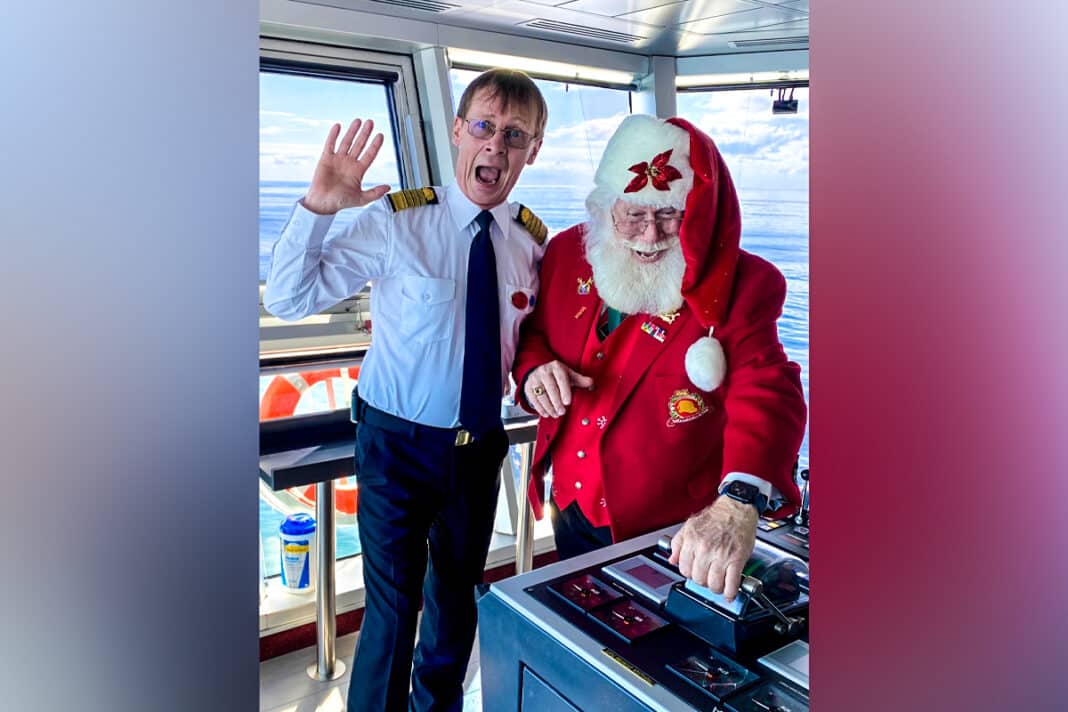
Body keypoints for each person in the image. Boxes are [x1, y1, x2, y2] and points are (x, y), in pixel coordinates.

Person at [264, 69, 548, 712]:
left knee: (454, 611)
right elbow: (287, 297)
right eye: (483, 127)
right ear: (457, 131)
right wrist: (319, 207)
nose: (495, 147)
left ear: (533, 150)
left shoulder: (533, 244)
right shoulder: (399, 221)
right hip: (396, 446)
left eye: (514, 135)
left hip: (478, 452)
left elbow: (533, 343)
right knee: (392, 614)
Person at [512, 114, 806, 603]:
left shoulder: (744, 285)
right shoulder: (566, 253)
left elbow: (770, 390)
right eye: (634, 214)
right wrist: (532, 371)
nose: (650, 235)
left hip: (675, 534)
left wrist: (738, 503)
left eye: (670, 214)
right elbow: (534, 335)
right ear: (606, 208)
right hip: (573, 505)